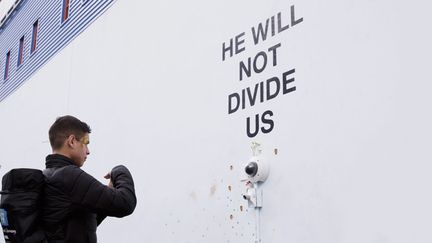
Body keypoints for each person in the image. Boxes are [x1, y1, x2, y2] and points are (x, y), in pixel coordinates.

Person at [41, 115, 137, 243]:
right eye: (85, 143)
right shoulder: (69, 176)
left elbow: (76, 226)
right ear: (72, 141)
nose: (88, 151)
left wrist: (107, 193)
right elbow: (125, 203)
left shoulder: (46, 175)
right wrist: (119, 171)